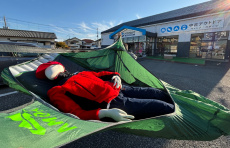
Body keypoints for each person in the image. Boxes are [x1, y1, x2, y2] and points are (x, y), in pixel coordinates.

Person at [36, 61, 174, 122]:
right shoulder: (56, 91)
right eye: (52, 70)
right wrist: (105, 113)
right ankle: (184, 116)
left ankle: (182, 103)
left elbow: (102, 74)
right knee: (159, 105)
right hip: (113, 102)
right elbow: (77, 113)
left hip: (120, 88)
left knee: (156, 92)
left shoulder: (79, 73)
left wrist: (115, 76)